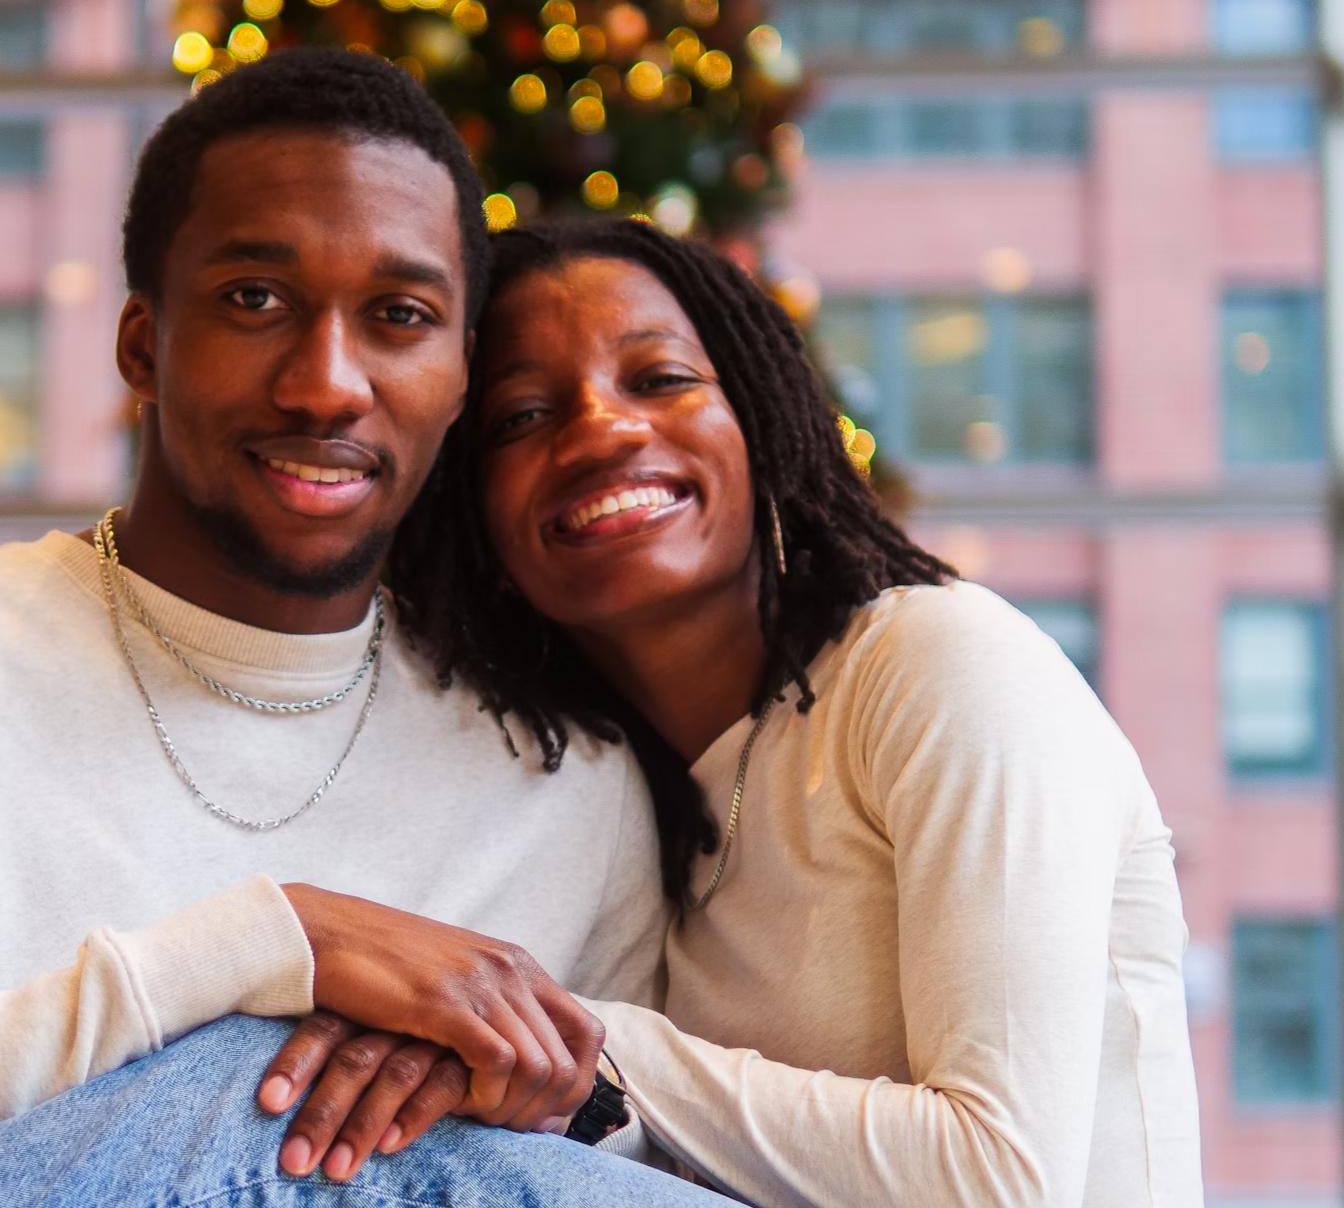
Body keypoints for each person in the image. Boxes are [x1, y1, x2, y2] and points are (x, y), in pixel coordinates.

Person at [0, 53, 708, 1208]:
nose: (325, 383)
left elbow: (623, 1163)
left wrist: (535, 1103)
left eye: (399, 317)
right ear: (143, 345)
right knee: (229, 1083)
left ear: (456, 377)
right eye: (256, 299)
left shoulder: (565, 778)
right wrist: (256, 950)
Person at [260, 218, 1203, 1206]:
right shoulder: (621, 807)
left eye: (659, 379)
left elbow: (1001, 1178)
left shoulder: (939, 661)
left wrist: (570, 1038)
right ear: (476, 523)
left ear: (757, 417)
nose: (603, 429)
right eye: (522, 417)